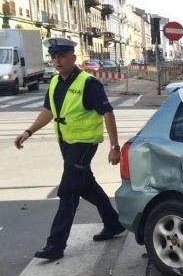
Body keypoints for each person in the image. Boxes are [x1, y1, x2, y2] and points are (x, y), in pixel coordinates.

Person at [13, 38, 126, 261]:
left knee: (68, 191)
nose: (57, 61)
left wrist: (114, 147)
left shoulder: (88, 83)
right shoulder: (55, 82)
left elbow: (108, 113)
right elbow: (49, 111)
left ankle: (55, 244)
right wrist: (28, 131)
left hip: (84, 145)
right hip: (66, 143)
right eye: (53, 57)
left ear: (74, 57)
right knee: (86, 185)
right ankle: (113, 222)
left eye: (62, 56)